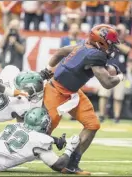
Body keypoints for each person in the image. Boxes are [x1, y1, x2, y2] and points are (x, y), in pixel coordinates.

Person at [39, 24, 124, 175]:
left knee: (92, 124)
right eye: (110, 44)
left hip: (72, 92)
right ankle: (13, 154)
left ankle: (72, 164)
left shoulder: (84, 46)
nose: (112, 48)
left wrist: (48, 68)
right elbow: (107, 83)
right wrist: (119, 76)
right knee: (41, 135)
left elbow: (61, 51)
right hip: (55, 92)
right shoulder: (95, 54)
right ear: (100, 41)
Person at [98, 23, 132, 123]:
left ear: (125, 32)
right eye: (117, 30)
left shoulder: (127, 44)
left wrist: (115, 41)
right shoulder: (108, 42)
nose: (119, 32)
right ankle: (101, 115)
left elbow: (127, 50)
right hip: (107, 72)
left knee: (118, 97)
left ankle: (117, 117)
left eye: (121, 31)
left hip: (120, 73)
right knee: (104, 95)